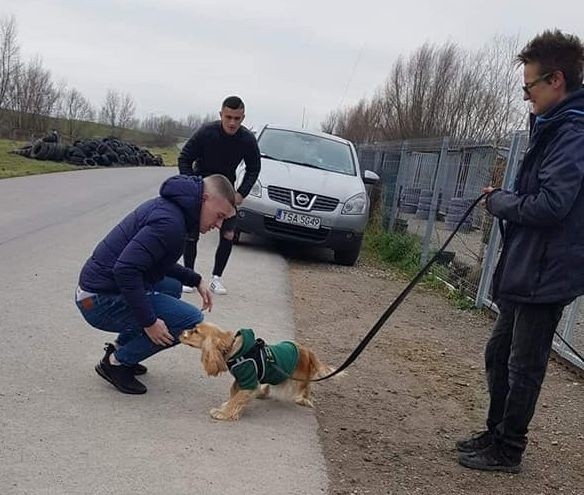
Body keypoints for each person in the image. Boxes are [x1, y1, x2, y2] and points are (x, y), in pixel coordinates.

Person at [457, 30, 584, 473]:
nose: (525, 95)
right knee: (499, 353)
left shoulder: (573, 132)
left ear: (556, 81)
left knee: (523, 366)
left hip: (546, 274)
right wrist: (508, 196)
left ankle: (509, 448)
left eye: (528, 86)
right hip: (529, 267)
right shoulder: (553, 126)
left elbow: (553, 204)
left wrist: (500, 202)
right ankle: (496, 433)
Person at [75, 174, 236, 394]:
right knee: (189, 321)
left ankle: (122, 349)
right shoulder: (170, 223)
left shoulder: (174, 210)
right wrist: (149, 322)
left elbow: (154, 259)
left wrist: (194, 279)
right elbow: (126, 270)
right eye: (219, 216)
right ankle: (115, 363)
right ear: (205, 199)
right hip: (96, 300)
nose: (219, 225)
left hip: (97, 290)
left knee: (171, 288)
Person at [178, 95, 261, 295]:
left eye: (237, 118)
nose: (232, 123)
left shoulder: (247, 140)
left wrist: (241, 192)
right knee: (191, 233)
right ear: (221, 114)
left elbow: (254, 168)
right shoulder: (207, 133)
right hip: (201, 189)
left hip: (226, 191)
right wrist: (193, 185)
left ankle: (217, 278)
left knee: (228, 234)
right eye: (228, 117)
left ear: (243, 117)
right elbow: (184, 158)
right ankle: (189, 277)